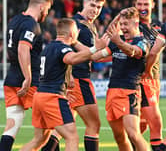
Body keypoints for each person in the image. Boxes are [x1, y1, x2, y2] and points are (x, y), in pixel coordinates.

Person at [19, 18, 106, 151]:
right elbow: (71, 58)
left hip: (39, 96)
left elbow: (56, 68)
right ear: (71, 34)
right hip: (52, 98)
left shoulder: (48, 47)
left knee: (39, 140)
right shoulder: (63, 48)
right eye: (77, 31)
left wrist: (66, 84)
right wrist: (95, 48)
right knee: (72, 137)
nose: (78, 34)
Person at [41, 0, 106, 151]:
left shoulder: (88, 25)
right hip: (78, 79)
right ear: (84, 3)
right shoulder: (76, 24)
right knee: (93, 124)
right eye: (92, 5)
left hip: (71, 81)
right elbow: (68, 49)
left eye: (99, 7)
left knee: (60, 129)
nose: (95, 10)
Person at [0, 0, 53, 151]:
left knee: (12, 126)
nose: (47, 13)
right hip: (31, 83)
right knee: (49, 129)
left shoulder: (14, 20)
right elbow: (23, 49)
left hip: (11, 80)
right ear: (42, 6)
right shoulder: (32, 24)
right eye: (48, 9)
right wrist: (28, 77)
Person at [92, 7, 150, 151]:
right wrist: (89, 48)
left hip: (129, 92)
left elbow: (133, 52)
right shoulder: (117, 41)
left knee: (133, 134)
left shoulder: (142, 41)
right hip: (112, 92)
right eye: (121, 24)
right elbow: (96, 57)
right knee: (119, 137)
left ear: (136, 24)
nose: (123, 27)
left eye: (126, 24)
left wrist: (118, 42)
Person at [134, 0, 166, 151]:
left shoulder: (159, 26)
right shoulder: (131, 25)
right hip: (141, 79)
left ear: (153, 4)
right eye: (139, 4)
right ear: (135, 4)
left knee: (142, 126)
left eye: (145, 3)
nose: (142, 7)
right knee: (154, 124)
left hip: (154, 80)